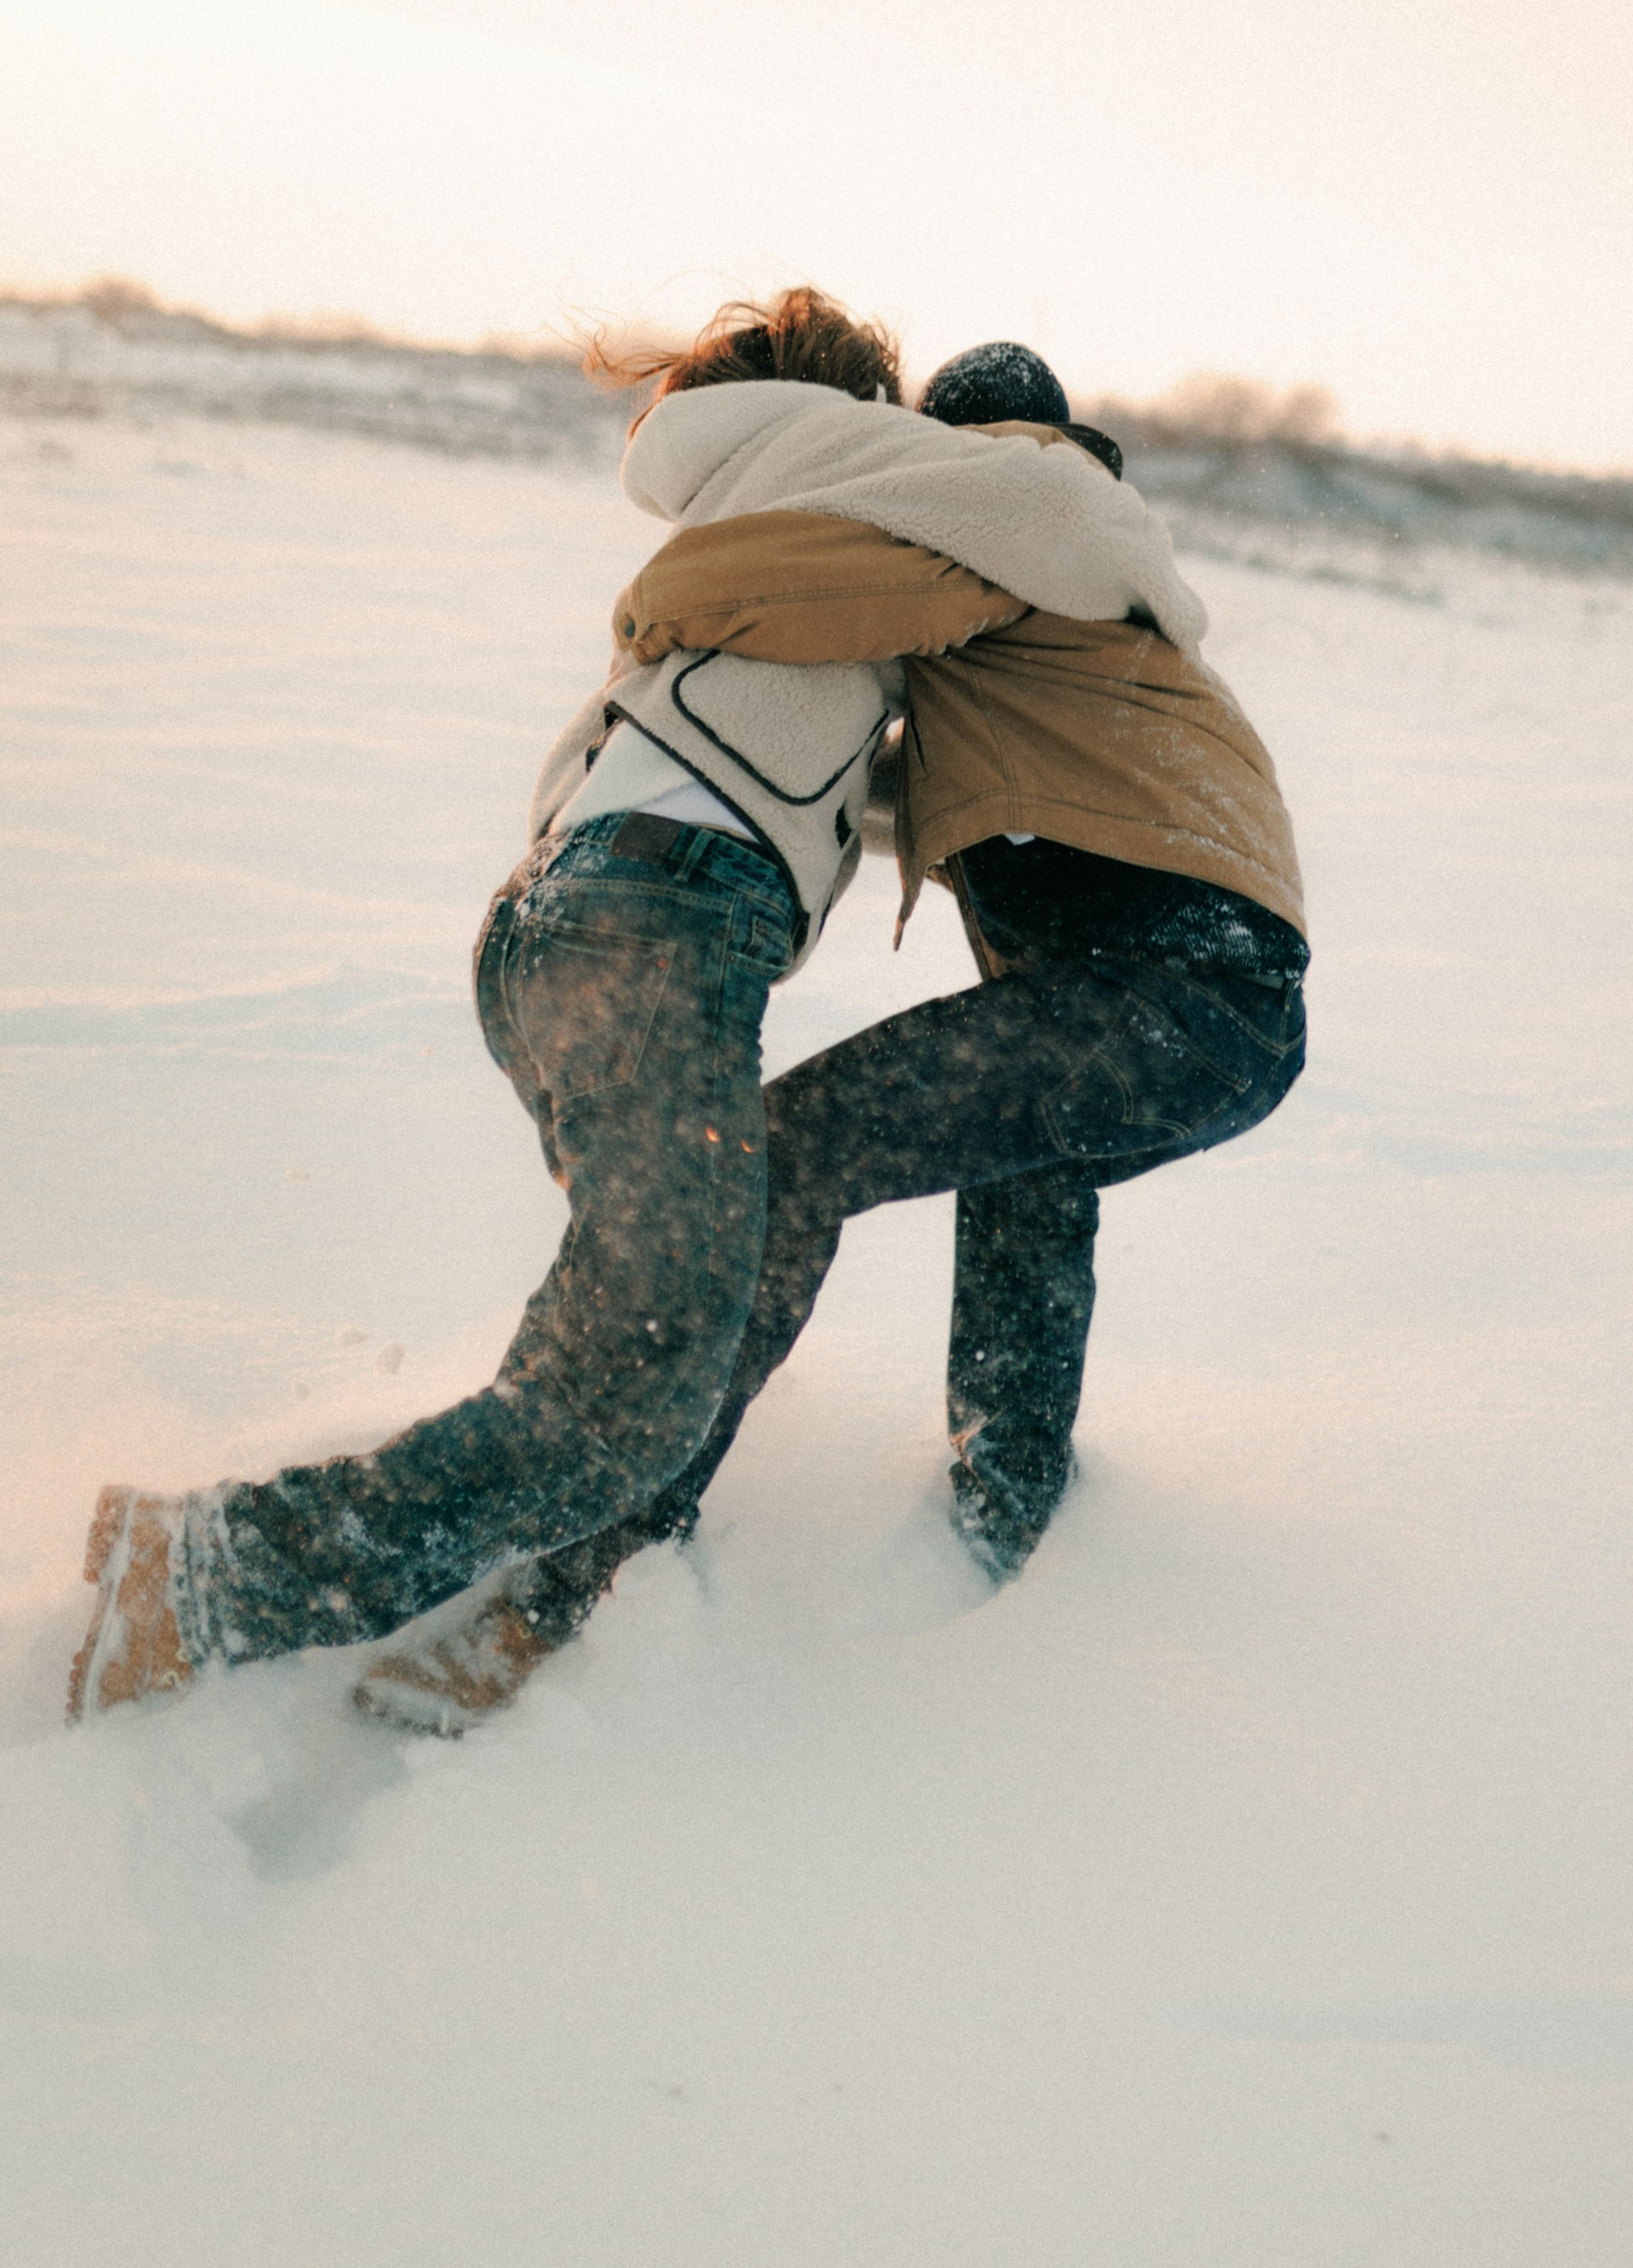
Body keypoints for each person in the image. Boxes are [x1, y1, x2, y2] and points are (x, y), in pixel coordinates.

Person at [66, 290, 1156, 1722]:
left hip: (557, 929)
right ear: (865, 399)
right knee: (633, 1398)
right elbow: (1076, 522)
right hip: (662, 933)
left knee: (615, 1347)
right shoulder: (871, 467)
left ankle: (450, 1593)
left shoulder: (759, 503)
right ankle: (206, 1573)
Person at [359, 338, 1309, 1726]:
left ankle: (587, 1567)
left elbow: (810, 596)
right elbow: (885, 781)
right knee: (1023, 1166)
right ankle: (1005, 1506)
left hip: (1170, 984)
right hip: (1233, 1009)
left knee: (794, 1149)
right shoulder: (1071, 623)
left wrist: (659, 615)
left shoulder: (1013, 504)